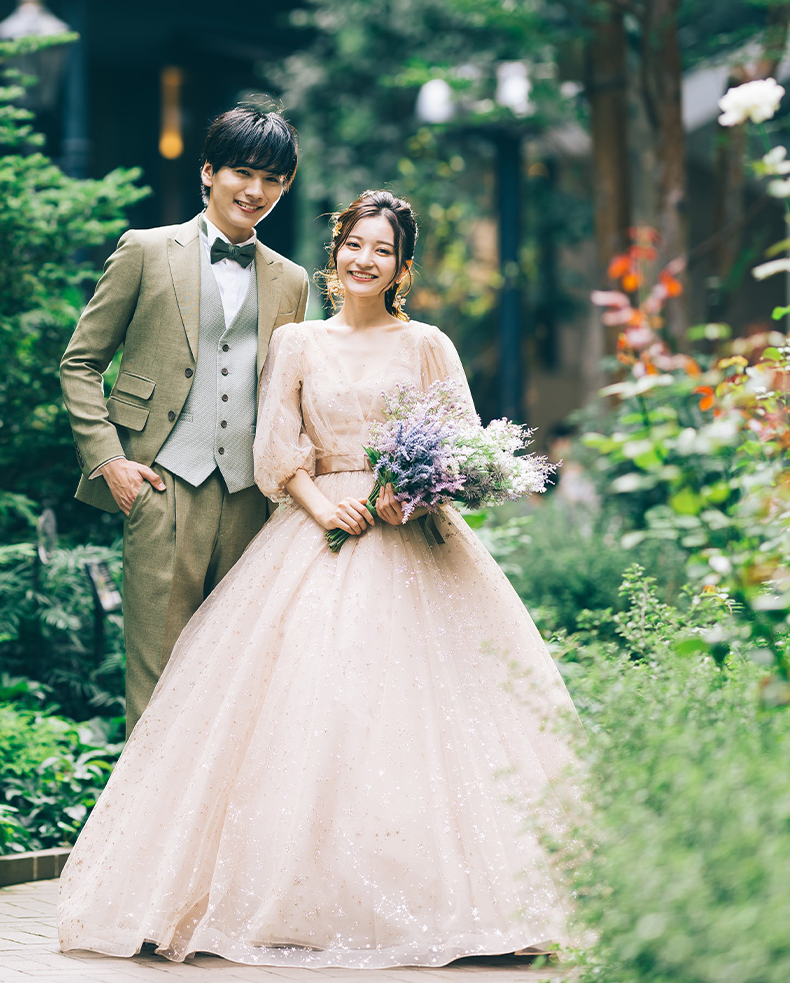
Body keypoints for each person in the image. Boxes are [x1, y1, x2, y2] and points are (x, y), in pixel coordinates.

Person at [56, 190, 577, 968]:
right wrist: (319, 506)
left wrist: (416, 489)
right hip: (316, 529)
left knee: (421, 715)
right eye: (355, 245)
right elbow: (275, 448)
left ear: (403, 266)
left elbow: (465, 443)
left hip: (415, 536)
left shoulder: (428, 342)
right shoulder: (297, 340)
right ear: (336, 254)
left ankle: (440, 896)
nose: (366, 260)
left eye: (384, 250)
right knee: (310, 708)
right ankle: (289, 897)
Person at [59, 103, 312, 724]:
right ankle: (146, 820)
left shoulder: (292, 280)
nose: (256, 191)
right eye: (242, 172)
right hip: (161, 483)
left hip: (254, 497)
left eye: (273, 179)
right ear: (208, 171)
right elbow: (80, 364)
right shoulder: (145, 251)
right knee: (159, 679)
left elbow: (290, 392)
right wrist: (110, 461)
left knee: (242, 675)